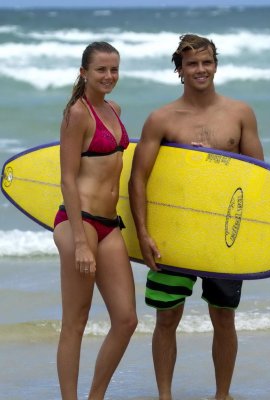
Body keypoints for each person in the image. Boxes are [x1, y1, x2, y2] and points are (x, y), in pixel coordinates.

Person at [128, 34, 264, 400]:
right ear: (180, 70)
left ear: (215, 64)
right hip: (175, 234)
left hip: (223, 235)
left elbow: (260, 176)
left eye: (206, 62)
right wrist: (143, 234)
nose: (200, 69)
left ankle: (222, 395)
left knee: (223, 316)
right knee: (167, 317)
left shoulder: (240, 114)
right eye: (192, 64)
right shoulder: (162, 119)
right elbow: (138, 179)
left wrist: (218, 164)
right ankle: (165, 396)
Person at [53, 41, 138, 400]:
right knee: (76, 320)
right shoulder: (77, 113)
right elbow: (67, 178)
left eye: (114, 69)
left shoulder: (113, 109)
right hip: (80, 223)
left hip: (109, 223)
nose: (109, 76)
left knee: (126, 319)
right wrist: (81, 241)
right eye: (101, 69)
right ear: (83, 72)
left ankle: (95, 397)